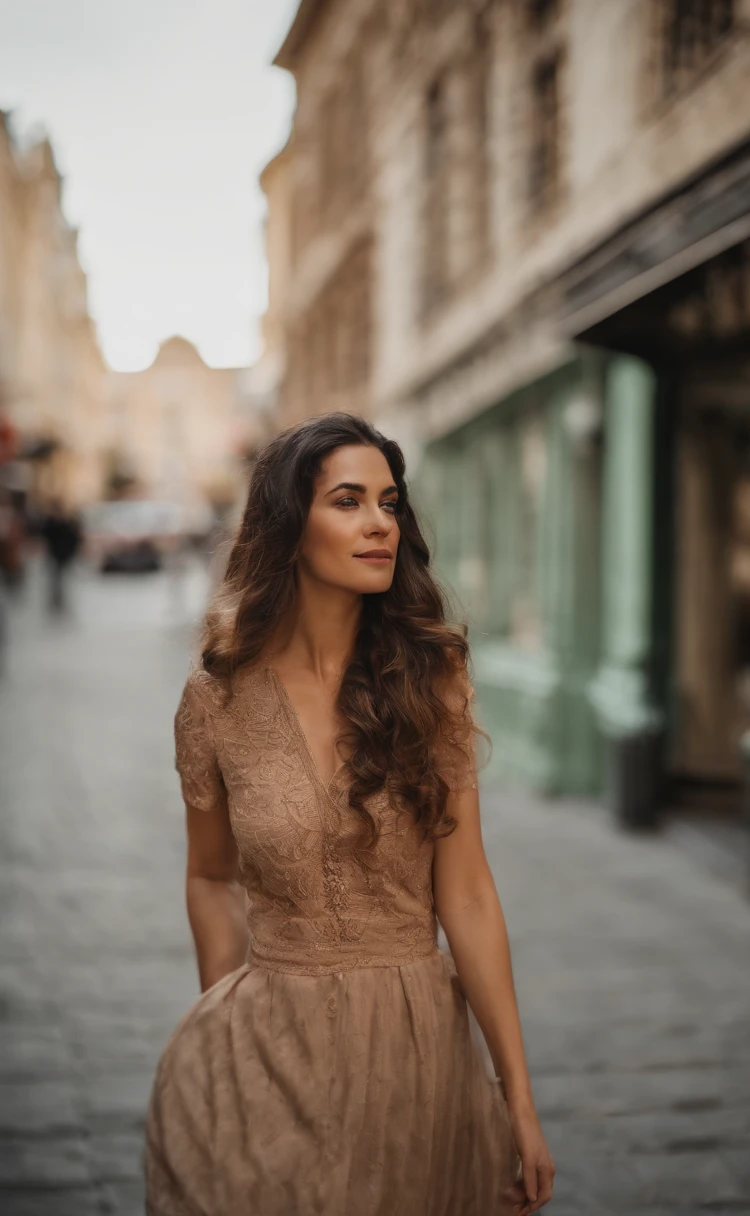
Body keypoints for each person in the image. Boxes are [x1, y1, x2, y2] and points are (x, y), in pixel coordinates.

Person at [144, 413, 555, 1216]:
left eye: (390, 503)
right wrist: (228, 1038)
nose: (379, 524)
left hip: (417, 1051)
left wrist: (519, 1098)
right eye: (348, 501)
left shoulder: (431, 679)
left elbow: (466, 895)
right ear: (291, 527)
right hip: (270, 1045)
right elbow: (210, 876)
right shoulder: (216, 697)